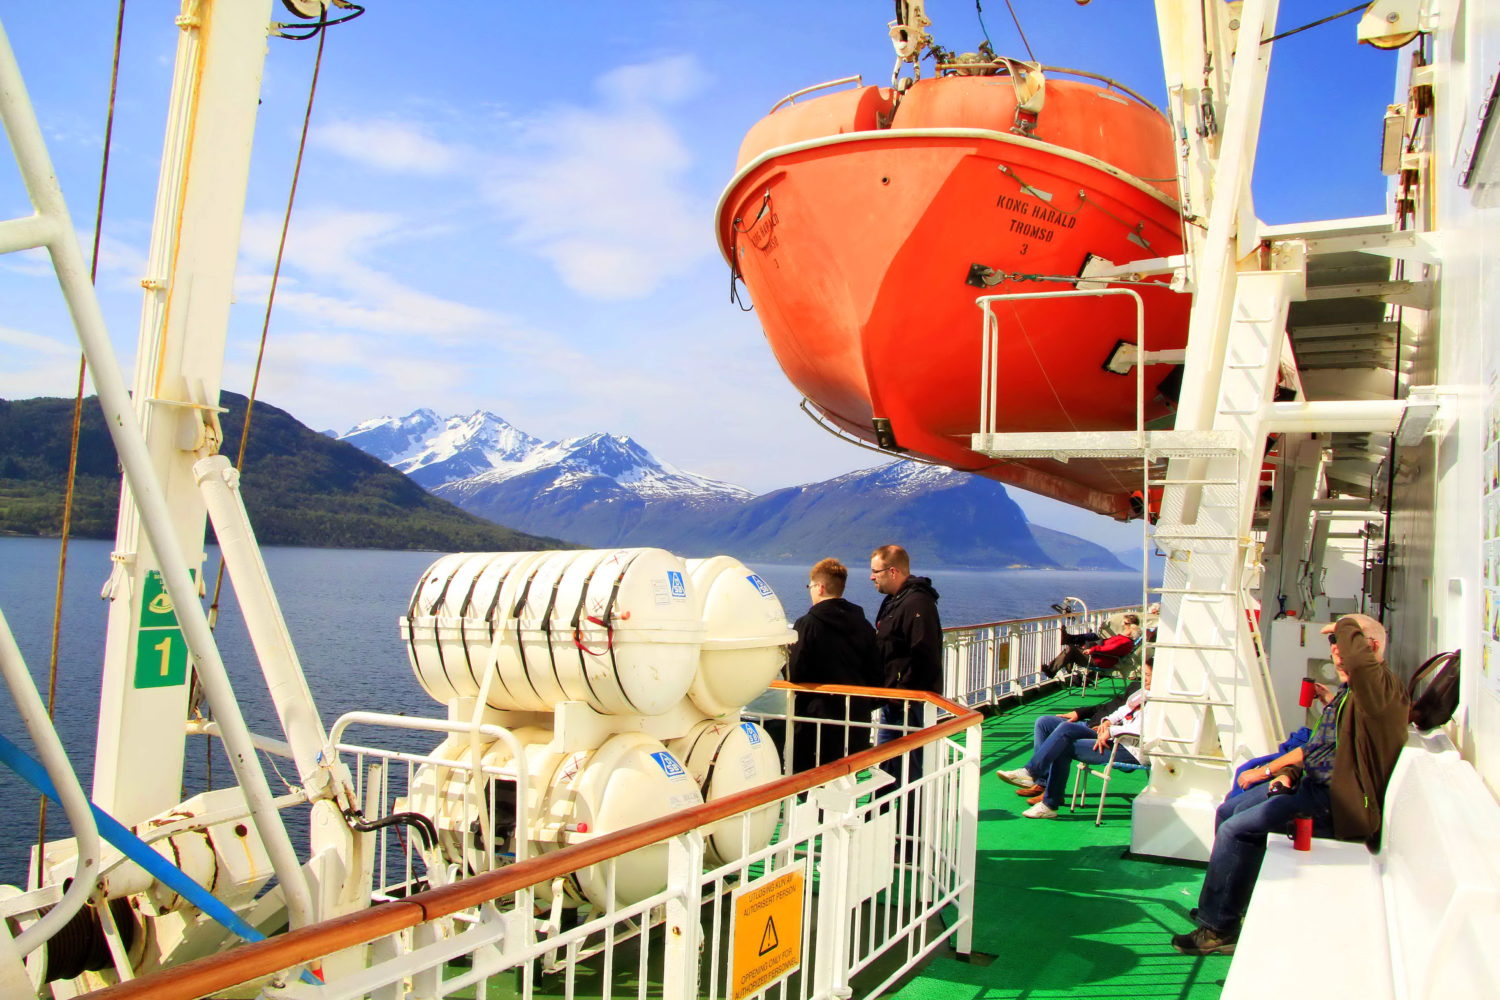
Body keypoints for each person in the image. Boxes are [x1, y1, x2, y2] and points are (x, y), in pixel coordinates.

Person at [1170, 614, 1408, 956]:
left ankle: (1219, 928)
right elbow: (1324, 751)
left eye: (1343, 650)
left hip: (1335, 805)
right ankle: (1226, 907)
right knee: (1229, 810)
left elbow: (1340, 765)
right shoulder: (1353, 692)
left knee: (1237, 830)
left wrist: (1342, 625)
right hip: (1311, 788)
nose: (1337, 657)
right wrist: (1281, 772)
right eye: (1334, 651)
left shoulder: (1380, 689)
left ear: (1370, 648)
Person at [995, 660, 1152, 818]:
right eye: (1144, 674)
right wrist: (1107, 721)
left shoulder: (1162, 702)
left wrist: (1111, 730)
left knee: (1065, 745)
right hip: (1111, 737)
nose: (1144, 679)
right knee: (1062, 728)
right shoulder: (1141, 692)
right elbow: (1121, 710)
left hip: (1130, 749)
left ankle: (1046, 797)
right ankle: (1033, 776)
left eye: (1148, 675)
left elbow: (1144, 729)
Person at [785, 558, 881, 774]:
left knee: (811, 779)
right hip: (855, 718)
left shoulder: (807, 624)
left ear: (820, 587)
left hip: (816, 719)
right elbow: (876, 672)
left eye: (810, 587)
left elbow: (795, 671)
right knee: (848, 777)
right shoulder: (863, 624)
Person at [870, 544, 942, 780]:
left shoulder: (917, 604)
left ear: (893, 572)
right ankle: (883, 812)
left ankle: (908, 814)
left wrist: (906, 691)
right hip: (893, 699)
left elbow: (924, 653)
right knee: (887, 763)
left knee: (907, 766)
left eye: (876, 572)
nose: (872, 577)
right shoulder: (895, 601)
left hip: (907, 702)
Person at [1043, 614, 1142, 679]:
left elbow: (1110, 648)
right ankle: (1068, 642)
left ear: (1130, 628)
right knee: (1091, 637)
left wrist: (1092, 649)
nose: (1123, 625)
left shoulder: (1124, 641)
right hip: (1101, 655)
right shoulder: (1125, 640)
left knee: (1072, 649)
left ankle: (1052, 670)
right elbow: (1109, 646)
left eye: (1125, 624)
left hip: (1100, 659)